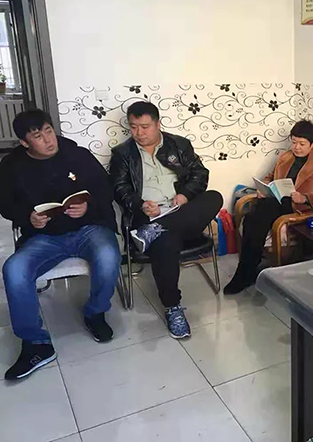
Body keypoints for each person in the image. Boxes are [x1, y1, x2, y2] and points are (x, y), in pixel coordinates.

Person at [0, 109, 121, 380]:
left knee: (108, 255)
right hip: (44, 237)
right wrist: (28, 217)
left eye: (48, 131)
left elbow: (105, 189)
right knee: (14, 270)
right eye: (37, 136)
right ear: (24, 142)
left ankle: (95, 313)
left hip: (89, 228)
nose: (48, 140)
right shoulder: (11, 167)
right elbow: (5, 205)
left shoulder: (77, 155)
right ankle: (36, 343)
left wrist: (88, 206)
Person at [109, 101, 223, 339]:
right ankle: (173, 307)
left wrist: (185, 195)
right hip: (148, 216)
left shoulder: (179, 145)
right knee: (166, 241)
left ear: (158, 124)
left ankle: (155, 230)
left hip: (182, 213)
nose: (139, 133)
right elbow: (119, 189)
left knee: (214, 197)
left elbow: (200, 174)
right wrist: (141, 205)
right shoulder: (122, 154)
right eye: (133, 127)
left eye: (145, 127)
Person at [224, 119, 313, 295]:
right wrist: (264, 188)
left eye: (302, 144)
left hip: (298, 208)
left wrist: (305, 197)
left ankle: (245, 273)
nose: (296, 147)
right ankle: (246, 270)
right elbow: (270, 176)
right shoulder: (286, 156)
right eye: (294, 142)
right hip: (276, 201)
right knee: (254, 217)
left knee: (257, 215)